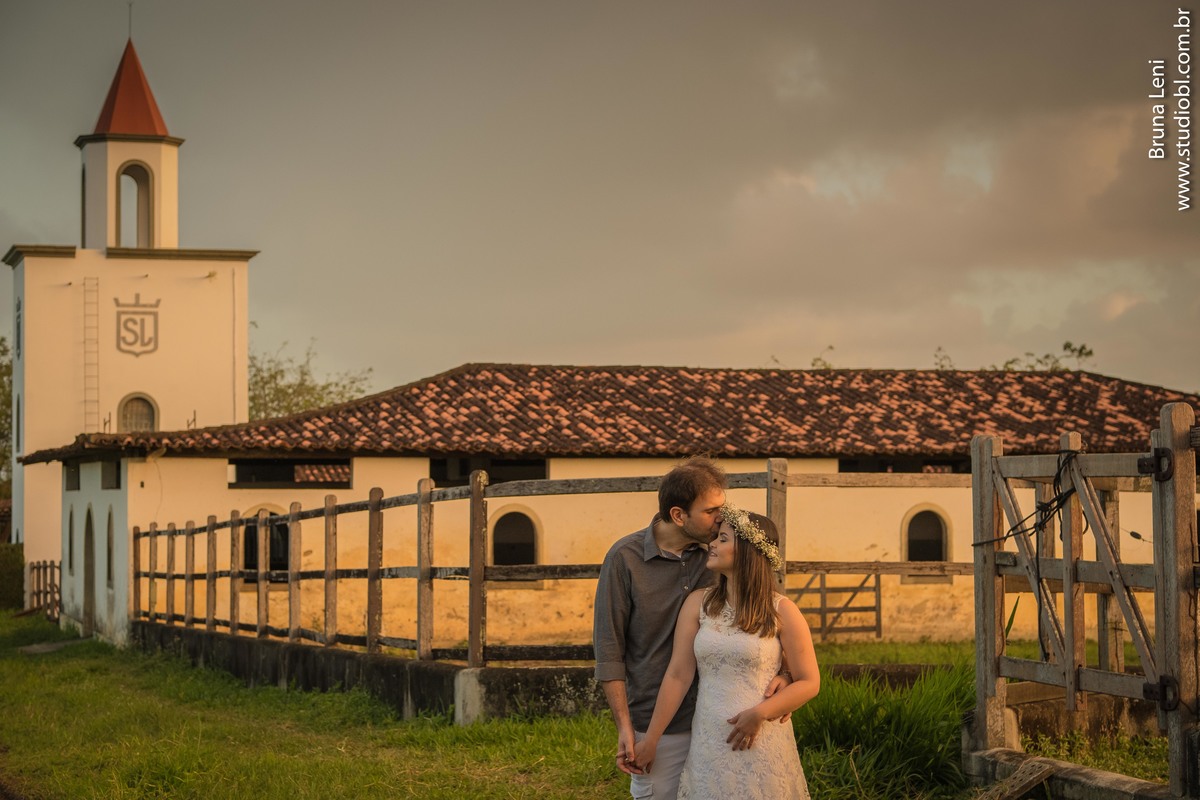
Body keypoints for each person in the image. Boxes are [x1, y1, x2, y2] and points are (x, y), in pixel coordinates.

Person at [632, 506, 819, 800]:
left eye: (722, 539)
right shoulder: (699, 603)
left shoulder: (782, 610)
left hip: (762, 737)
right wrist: (651, 739)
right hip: (709, 738)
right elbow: (678, 675)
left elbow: (809, 681)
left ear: (747, 551)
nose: (712, 544)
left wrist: (761, 713)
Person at [593, 457, 726, 800]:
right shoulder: (624, 558)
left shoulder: (721, 554)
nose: (720, 518)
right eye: (710, 511)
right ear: (679, 515)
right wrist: (625, 727)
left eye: (722, 508)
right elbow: (609, 649)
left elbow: (763, 610)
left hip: (717, 713)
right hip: (655, 720)